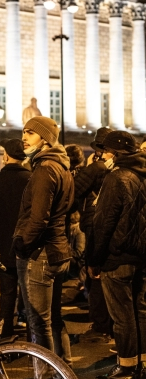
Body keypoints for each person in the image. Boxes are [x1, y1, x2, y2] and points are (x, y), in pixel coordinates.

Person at [12, 116, 74, 379]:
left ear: (46, 139)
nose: (24, 137)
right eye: (23, 132)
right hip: (59, 252)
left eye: (30, 133)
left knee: (39, 324)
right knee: (55, 320)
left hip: (41, 253)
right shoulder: (61, 166)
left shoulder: (44, 169)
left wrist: (22, 243)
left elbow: (39, 217)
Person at [88, 131, 146, 379]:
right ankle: (141, 363)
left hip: (117, 256)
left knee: (122, 316)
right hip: (141, 255)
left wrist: (94, 259)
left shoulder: (116, 177)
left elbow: (104, 224)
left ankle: (127, 367)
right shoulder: (142, 174)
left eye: (105, 152)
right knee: (140, 311)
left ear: (115, 153)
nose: (103, 156)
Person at [0, 139, 31, 337]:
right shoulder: (31, 179)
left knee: (6, 298)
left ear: (7, 156)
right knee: (29, 299)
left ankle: (4, 337)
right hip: (27, 246)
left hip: (2, 247)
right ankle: (32, 342)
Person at [74, 127, 114, 343]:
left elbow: (74, 191)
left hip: (94, 224)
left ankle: (100, 325)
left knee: (94, 273)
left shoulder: (96, 168)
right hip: (107, 226)